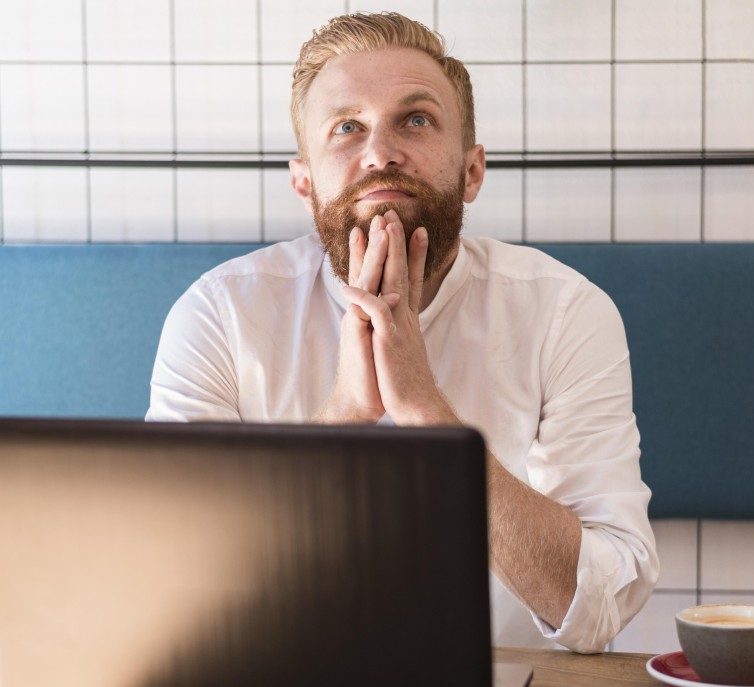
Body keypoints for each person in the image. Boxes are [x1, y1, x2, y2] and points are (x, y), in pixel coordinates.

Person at [147, 11, 657, 653]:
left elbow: (598, 606)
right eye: (347, 127)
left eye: (415, 120)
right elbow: (171, 572)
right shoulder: (219, 314)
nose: (380, 151)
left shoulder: (566, 312)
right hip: (273, 684)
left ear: (472, 170)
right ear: (304, 183)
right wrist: (344, 416)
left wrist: (429, 415)